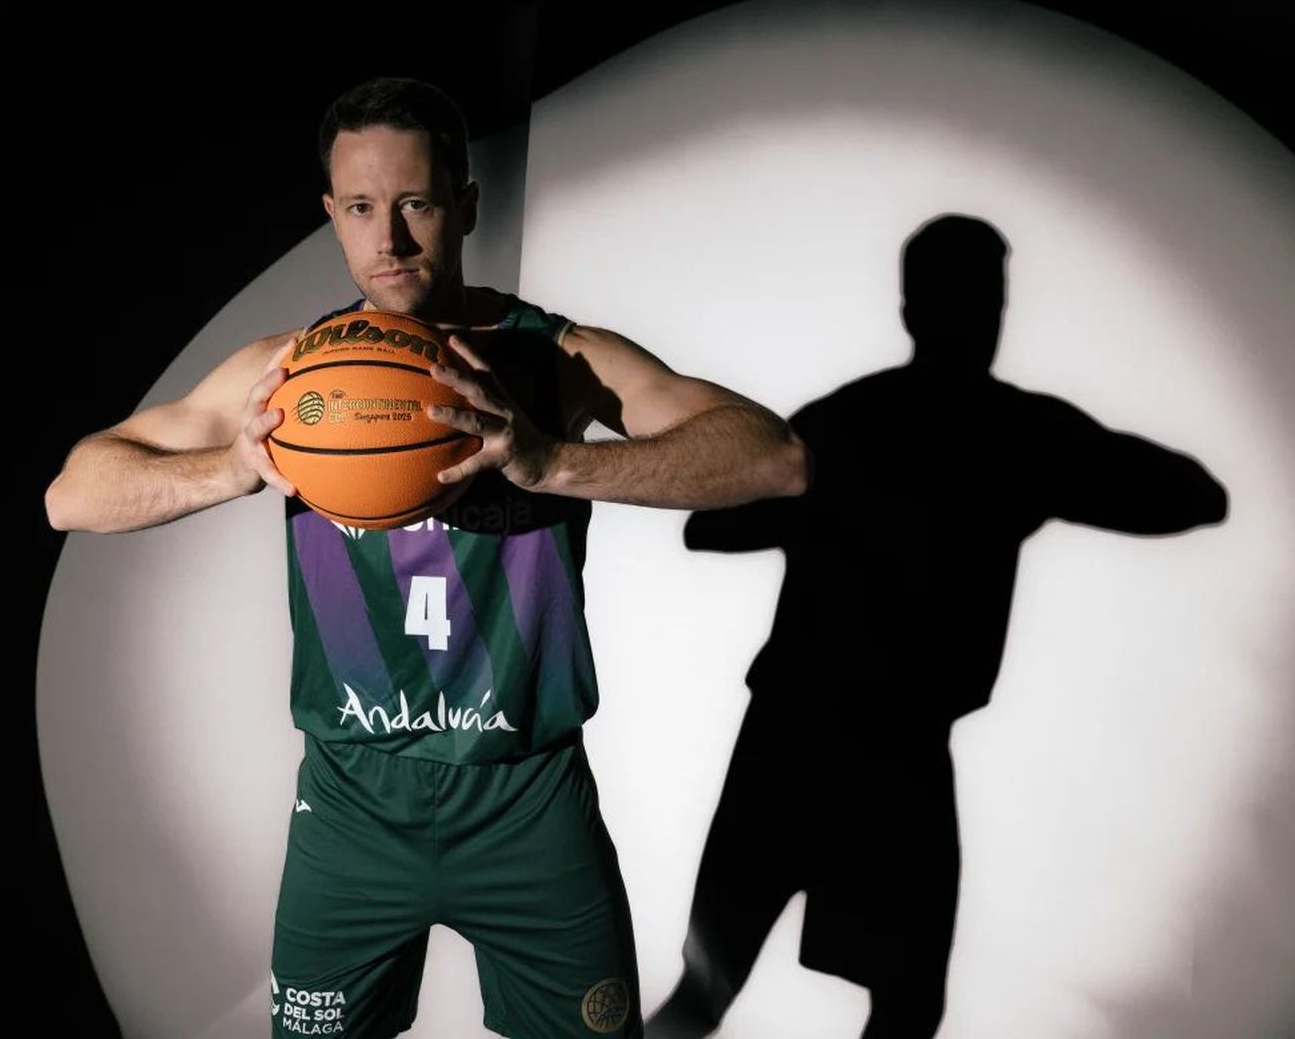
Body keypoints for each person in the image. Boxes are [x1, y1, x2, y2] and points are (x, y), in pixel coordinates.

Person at [44, 75, 809, 1039]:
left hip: (528, 797)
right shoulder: (295, 373)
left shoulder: (550, 359)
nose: (390, 238)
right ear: (331, 214)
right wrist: (232, 468)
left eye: (415, 203)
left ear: (466, 206)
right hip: (353, 805)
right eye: (361, 208)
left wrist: (551, 458)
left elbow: (772, 456)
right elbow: (72, 491)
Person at [646, 214, 1230, 1039]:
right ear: (930, 309)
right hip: (850, 746)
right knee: (881, 1002)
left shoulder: (864, 424)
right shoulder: (1007, 434)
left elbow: (713, 523)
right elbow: (1194, 495)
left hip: (824, 741)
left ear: (912, 309)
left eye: (987, 301)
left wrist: (825, 503)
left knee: (740, 996)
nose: (982, 319)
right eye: (978, 299)